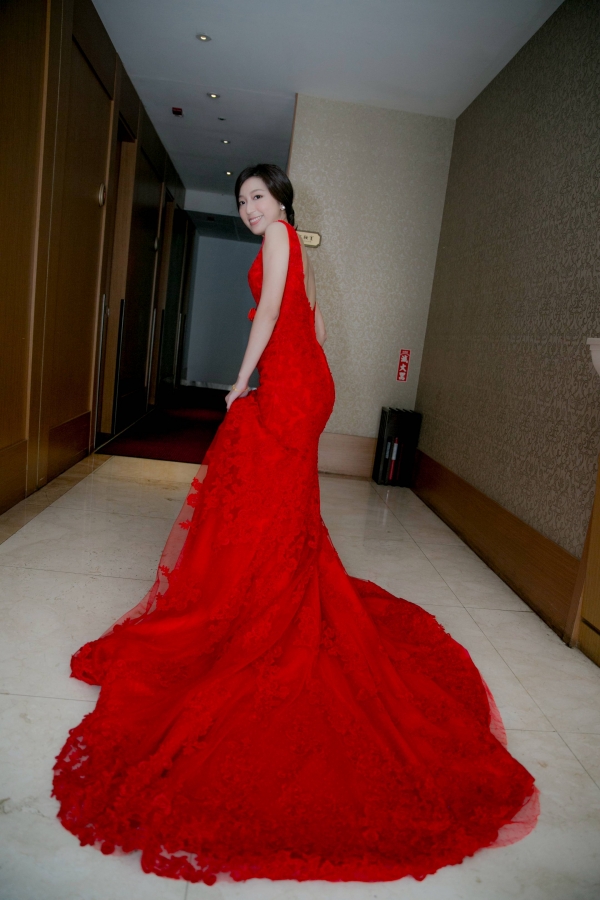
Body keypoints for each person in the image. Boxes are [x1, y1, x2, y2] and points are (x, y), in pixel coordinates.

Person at [53, 163, 538, 886]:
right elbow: (299, 318)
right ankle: (260, 581)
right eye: (241, 200)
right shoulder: (280, 241)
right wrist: (276, 371)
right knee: (274, 501)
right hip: (296, 379)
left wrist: (241, 381)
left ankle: (266, 590)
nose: (249, 208)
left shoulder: (280, 236)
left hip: (291, 385)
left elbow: (274, 313)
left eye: (258, 196)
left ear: (280, 200)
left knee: (263, 486)